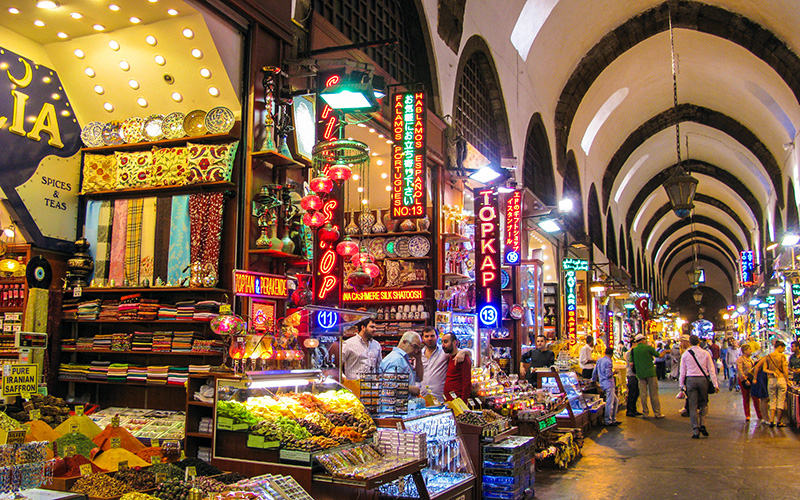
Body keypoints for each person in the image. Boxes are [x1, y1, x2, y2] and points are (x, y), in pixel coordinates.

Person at [680, 334, 719, 439]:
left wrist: (681, 386)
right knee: (704, 403)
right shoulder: (705, 353)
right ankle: (703, 424)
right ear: (698, 342)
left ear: (689, 342)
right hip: (703, 380)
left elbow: (682, 372)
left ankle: (695, 430)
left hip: (690, 380)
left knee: (692, 405)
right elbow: (711, 370)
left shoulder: (686, 354)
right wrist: (715, 384)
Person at [420, 326, 468, 402]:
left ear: (437, 337)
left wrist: (463, 351)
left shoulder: (444, 352)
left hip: (440, 399)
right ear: (422, 338)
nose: (429, 338)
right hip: (422, 398)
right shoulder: (419, 354)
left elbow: (459, 351)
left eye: (432, 336)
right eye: (426, 336)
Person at [752, 340, 791, 427]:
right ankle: (779, 421)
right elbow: (785, 370)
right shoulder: (782, 356)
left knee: (772, 400)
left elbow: (765, 369)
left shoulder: (768, 356)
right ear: (780, 347)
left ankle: (771, 420)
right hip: (780, 379)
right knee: (780, 401)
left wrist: (772, 372)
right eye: (783, 349)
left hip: (771, 380)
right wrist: (787, 380)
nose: (783, 351)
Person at [380, 331, 424, 397]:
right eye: (414, 346)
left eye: (418, 349)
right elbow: (388, 385)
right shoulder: (396, 360)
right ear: (404, 342)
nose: (416, 351)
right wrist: (409, 388)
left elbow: (419, 378)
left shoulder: (403, 359)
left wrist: (418, 358)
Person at [631, 334, 664, 418]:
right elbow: (659, 355)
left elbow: (631, 363)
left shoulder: (634, 350)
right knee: (654, 394)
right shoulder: (648, 347)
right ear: (642, 340)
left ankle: (645, 413)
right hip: (650, 373)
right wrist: (666, 351)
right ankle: (657, 413)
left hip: (640, 374)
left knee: (643, 394)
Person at [592, 347, 620, 426]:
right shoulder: (609, 362)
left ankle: (613, 419)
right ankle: (608, 420)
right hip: (609, 384)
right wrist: (614, 372)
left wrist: (593, 380)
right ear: (611, 354)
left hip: (602, 383)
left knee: (615, 401)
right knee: (610, 402)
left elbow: (594, 372)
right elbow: (608, 374)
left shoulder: (599, 360)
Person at [442, 333, 473, 401]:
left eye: (446, 342)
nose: (443, 345)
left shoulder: (463, 359)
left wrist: (463, 402)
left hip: (457, 400)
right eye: (442, 342)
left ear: (454, 342)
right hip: (448, 400)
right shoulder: (448, 357)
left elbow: (466, 383)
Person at [736, 344, 763, 422]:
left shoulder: (750, 359)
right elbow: (740, 371)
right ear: (745, 351)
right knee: (746, 397)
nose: (751, 351)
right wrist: (744, 379)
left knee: (755, 397)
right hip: (744, 380)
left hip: (751, 379)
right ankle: (747, 415)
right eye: (749, 349)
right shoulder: (740, 360)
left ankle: (759, 414)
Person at [625, 341, 642, 417]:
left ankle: (634, 409)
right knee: (632, 393)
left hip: (636, 374)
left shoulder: (634, 352)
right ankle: (630, 410)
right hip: (631, 374)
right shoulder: (629, 353)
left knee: (636, 392)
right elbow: (630, 364)